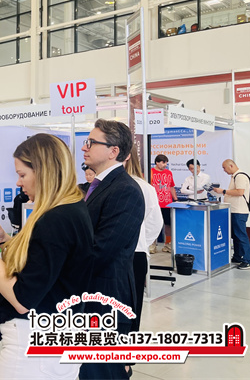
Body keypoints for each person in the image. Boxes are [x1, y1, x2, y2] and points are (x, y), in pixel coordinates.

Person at [0, 133, 94, 379]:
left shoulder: (55, 219)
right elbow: (48, 262)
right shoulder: (72, 208)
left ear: (43, 172)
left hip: (34, 342)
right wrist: (7, 243)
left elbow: (22, 298)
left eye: (22, 175)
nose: (18, 183)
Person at [79, 119, 145, 380]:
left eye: (91, 142)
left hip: (106, 302)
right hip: (89, 298)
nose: (84, 147)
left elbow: (101, 250)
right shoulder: (97, 186)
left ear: (113, 151)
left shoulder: (125, 191)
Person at [124, 149, 163, 335]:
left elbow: (155, 223)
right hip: (126, 254)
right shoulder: (99, 185)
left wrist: (138, 242)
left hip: (134, 255)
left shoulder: (142, 187)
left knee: (130, 312)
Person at [213, 159, 250, 270]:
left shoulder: (240, 176)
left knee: (241, 235)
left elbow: (240, 192)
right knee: (235, 235)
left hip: (239, 211)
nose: (224, 170)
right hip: (234, 211)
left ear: (231, 166)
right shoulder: (234, 177)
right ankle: (238, 257)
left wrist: (223, 191)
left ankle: (247, 261)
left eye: (224, 168)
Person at [150, 154, 178, 253]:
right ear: (157, 162)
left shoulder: (169, 173)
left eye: (166, 163)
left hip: (167, 203)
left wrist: (175, 199)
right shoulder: (150, 172)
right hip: (154, 203)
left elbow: (171, 187)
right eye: (163, 162)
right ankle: (152, 245)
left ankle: (168, 245)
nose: (165, 165)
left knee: (168, 224)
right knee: (153, 224)